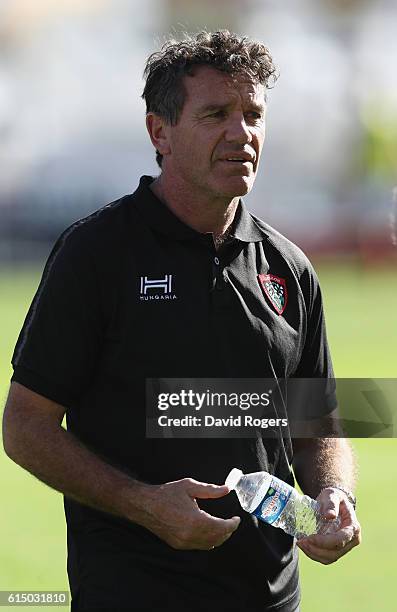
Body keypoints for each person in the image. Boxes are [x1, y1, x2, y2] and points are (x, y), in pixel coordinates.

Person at [3, 30, 361, 612]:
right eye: (216, 114)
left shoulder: (289, 267)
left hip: (269, 597)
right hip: (133, 592)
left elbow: (315, 420)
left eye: (253, 114)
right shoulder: (95, 254)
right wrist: (143, 502)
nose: (240, 133)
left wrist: (332, 492)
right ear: (159, 132)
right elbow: (25, 426)